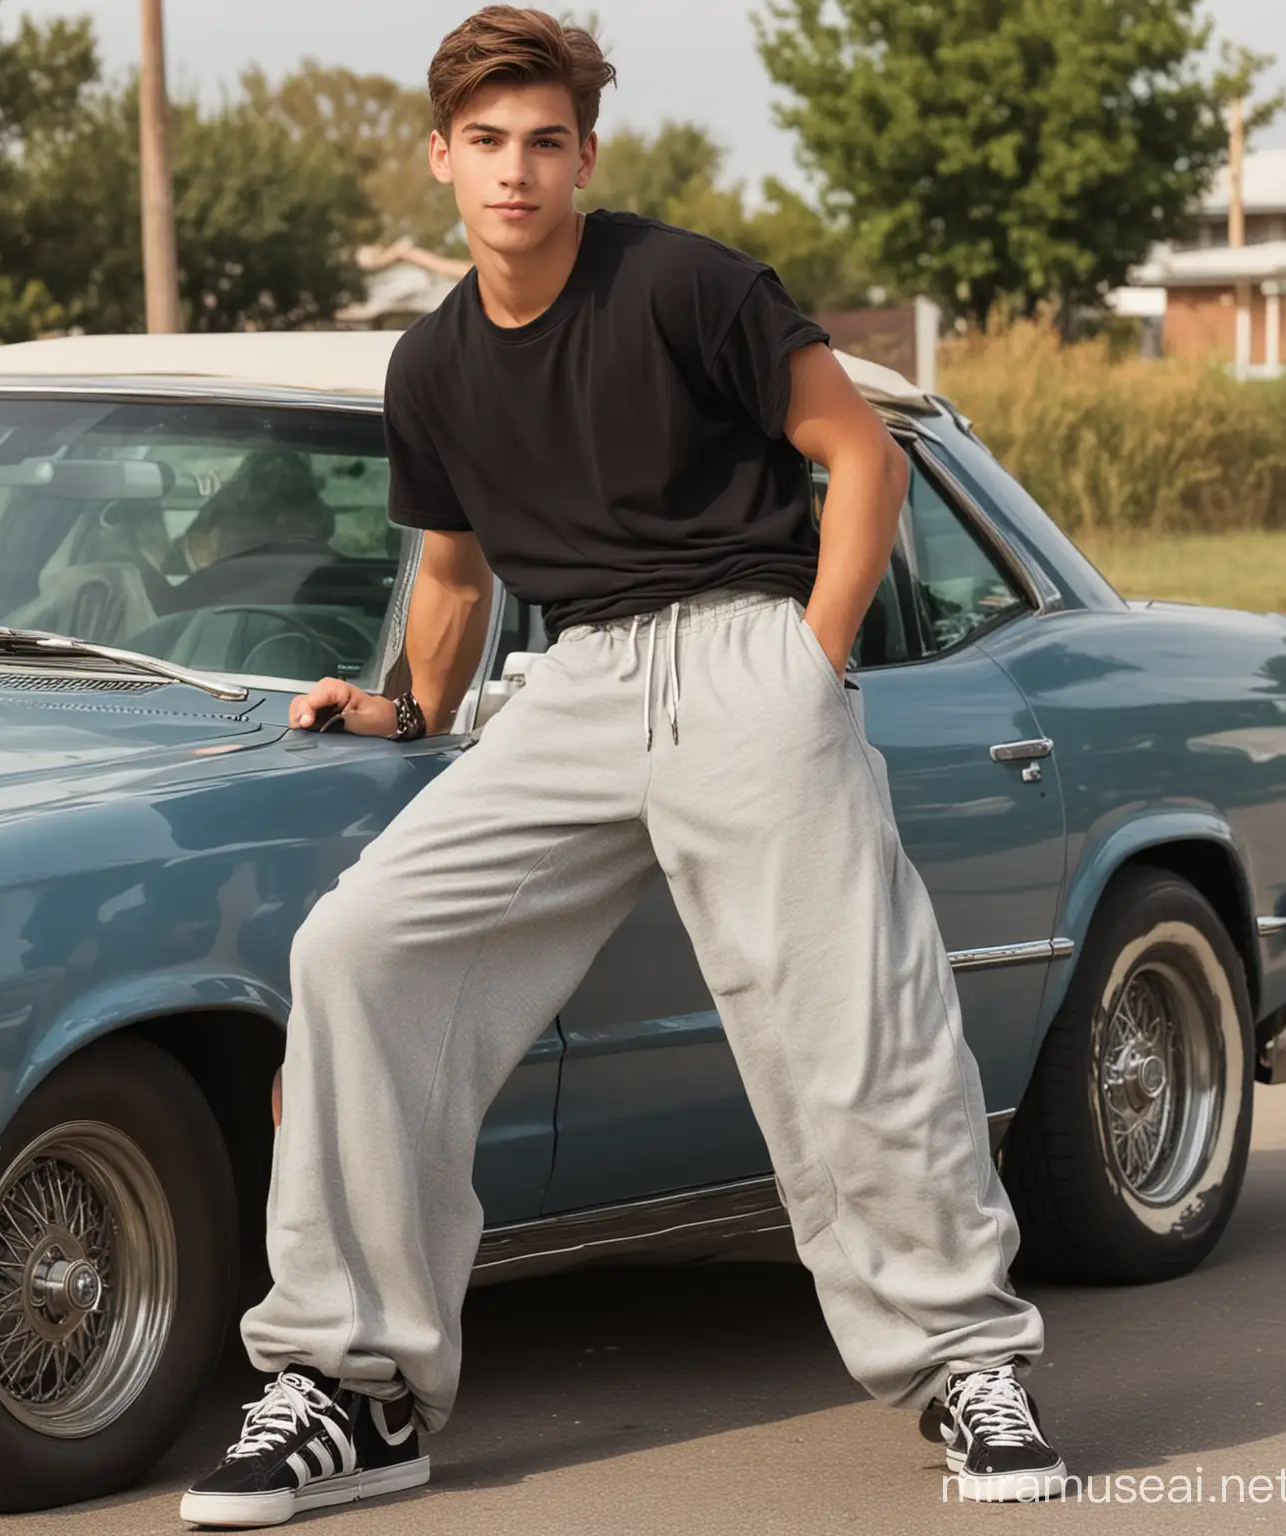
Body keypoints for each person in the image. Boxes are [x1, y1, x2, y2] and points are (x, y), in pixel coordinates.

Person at [181, 7, 1067, 1525]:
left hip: (745, 655)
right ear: (441, 159)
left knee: (850, 1016)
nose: (513, 172)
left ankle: (965, 1363)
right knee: (358, 954)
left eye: (543, 143)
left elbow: (861, 453)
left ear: (583, 156)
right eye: (485, 144)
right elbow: (455, 581)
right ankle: (358, 1384)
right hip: (573, 682)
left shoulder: (685, 283)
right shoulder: (435, 364)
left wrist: (810, 656)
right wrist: (411, 711)